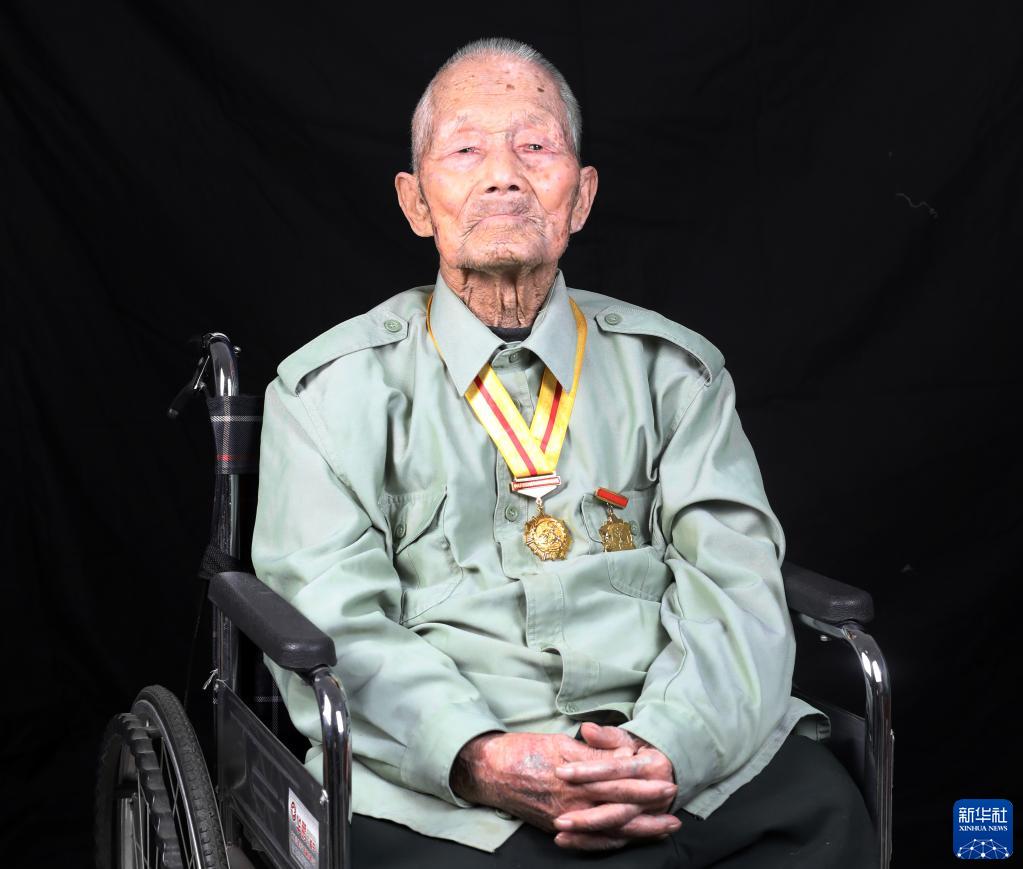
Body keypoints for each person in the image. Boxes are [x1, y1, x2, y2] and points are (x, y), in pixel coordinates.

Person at [251, 37, 876, 868]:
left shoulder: (674, 373)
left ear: (580, 196)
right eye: (465, 150)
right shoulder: (327, 391)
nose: (503, 176)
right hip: (448, 763)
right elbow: (336, 617)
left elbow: (735, 585)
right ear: (415, 201)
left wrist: (667, 748)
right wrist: (476, 754)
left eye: (535, 147)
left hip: (667, 730)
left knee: (824, 817)